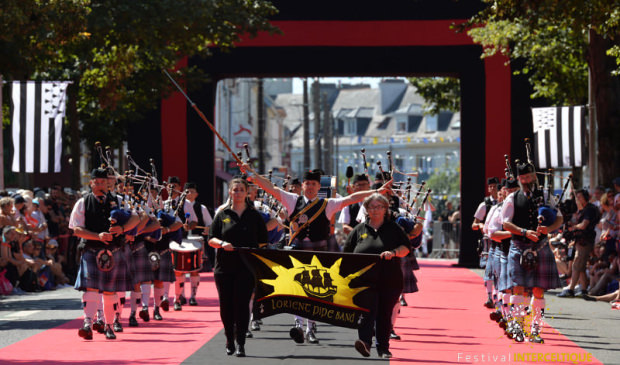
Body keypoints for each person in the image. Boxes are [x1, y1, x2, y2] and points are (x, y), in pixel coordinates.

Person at [243, 164, 392, 345]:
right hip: (297, 251)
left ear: (319, 187)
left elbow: (351, 198)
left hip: (318, 253)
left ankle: (311, 328)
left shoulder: (327, 204)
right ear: (303, 185)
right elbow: (271, 188)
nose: (310, 186)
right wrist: (252, 174)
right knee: (297, 289)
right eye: (307, 183)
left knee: (314, 291)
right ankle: (298, 324)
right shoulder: (292, 200)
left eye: (314, 184)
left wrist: (375, 191)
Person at [69, 168, 140, 340]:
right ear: (91, 183)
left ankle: (109, 325)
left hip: (114, 250)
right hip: (91, 249)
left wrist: (123, 228)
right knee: (91, 289)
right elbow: (76, 229)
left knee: (110, 291)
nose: (100, 185)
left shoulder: (119, 200)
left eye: (103, 182)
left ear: (107, 183)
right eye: (97, 182)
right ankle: (87, 323)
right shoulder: (83, 202)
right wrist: (97, 236)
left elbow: (138, 217)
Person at [500, 161, 563, 343]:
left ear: (535, 176)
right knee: (518, 289)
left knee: (538, 291)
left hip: (541, 247)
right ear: (518, 179)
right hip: (519, 246)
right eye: (523, 177)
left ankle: (535, 330)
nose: (527, 180)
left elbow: (559, 218)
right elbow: (505, 223)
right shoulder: (512, 198)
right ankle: (517, 327)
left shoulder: (545, 195)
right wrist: (524, 232)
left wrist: (548, 229)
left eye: (529, 176)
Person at [344, 193, 411, 359]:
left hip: (389, 279)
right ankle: (365, 343)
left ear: (385, 209)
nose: (375, 210)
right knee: (366, 311)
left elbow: (406, 248)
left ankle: (383, 348)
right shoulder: (359, 230)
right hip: (364, 281)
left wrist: (394, 252)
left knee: (384, 313)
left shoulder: (393, 228)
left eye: (379, 207)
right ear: (366, 209)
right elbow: (347, 253)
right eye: (371, 207)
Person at [208, 177, 269, 357]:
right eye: (235, 190)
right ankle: (229, 338)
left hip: (247, 268)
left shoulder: (254, 216)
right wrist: (222, 243)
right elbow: (211, 238)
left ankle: (241, 342)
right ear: (230, 192)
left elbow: (263, 242)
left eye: (241, 190)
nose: (238, 193)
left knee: (242, 305)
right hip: (224, 267)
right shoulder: (222, 214)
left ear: (247, 192)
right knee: (226, 306)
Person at [558, 189, 599, 297]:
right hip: (579, 240)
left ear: (585, 198)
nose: (577, 200)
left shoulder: (589, 209)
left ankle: (571, 289)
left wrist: (573, 227)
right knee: (580, 266)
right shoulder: (582, 210)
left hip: (585, 241)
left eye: (579, 197)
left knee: (577, 264)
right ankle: (584, 289)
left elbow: (584, 225)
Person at [472, 177, 499, 307]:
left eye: (495, 186)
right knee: (488, 270)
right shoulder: (485, 204)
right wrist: (481, 225)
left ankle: (499, 296)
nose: (493, 189)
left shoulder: (505, 203)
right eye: (491, 187)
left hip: (501, 238)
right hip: (488, 240)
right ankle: (489, 296)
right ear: (488, 188)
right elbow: (474, 224)